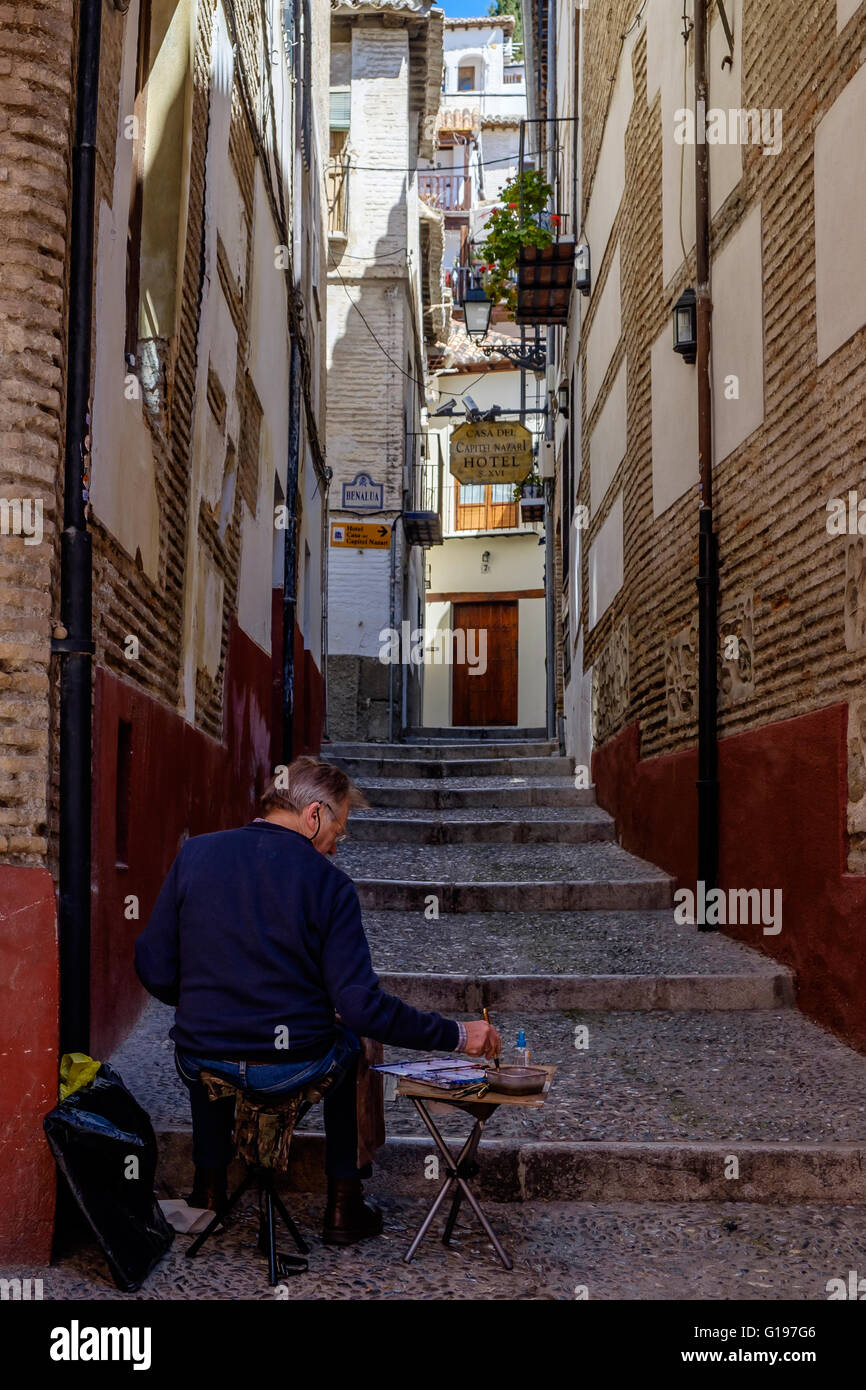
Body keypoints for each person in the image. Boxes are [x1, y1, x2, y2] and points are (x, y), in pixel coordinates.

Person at [134, 756, 501, 1246]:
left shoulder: (196, 854)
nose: (335, 846)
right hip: (290, 1064)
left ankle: (209, 1190)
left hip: (202, 1056)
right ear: (313, 815)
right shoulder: (330, 885)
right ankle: (344, 1203)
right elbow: (362, 1008)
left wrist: (207, 999)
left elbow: (154, 966)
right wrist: (458, 1034)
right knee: (355, 1044)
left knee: (210, 1041)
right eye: (339, 830)